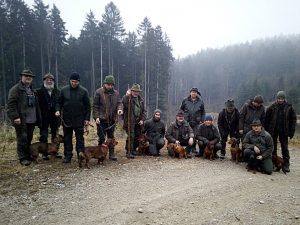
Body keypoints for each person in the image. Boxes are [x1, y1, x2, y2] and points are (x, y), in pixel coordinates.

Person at [55, 72, 91, 163]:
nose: (74, 83)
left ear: (79, 82)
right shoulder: (63, 90)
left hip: (79, 119)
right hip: (67, 119)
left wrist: (87, 119)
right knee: (67, 138)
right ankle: (68, 156)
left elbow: (88, 106)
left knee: (80, 139)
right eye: (72, 81)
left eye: (76, 82)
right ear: (70, 81)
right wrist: (57, 110)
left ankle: (80, 155)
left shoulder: (84, 91)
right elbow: (58, 103)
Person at [7, 69, 41, 166]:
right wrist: (15, 117)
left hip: (31, 119)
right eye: (26, 76)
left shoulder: (32, 90)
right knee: (22, 138)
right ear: (21, 77)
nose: (28, 78)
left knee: (29, 138)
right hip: (21, 119)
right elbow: (11, 105)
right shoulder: (15, 89)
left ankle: (27, 155)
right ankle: (22, 158)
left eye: (30, 77)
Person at [265, 91, 297, 172]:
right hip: (273, 131)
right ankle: (274, 163)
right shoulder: (271, 107)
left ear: (284, 98)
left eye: (282, 98)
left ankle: (286, 165)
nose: (280, 100)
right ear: (276, 98)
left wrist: (292, 131)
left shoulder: (289, 107)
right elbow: (266, 119)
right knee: (273, 148)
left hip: (284, 131)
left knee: (285, 148)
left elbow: (293, 120)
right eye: (279, 98)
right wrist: (266, 131)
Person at [92, 75, 123, 161]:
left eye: (111, 85)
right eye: (108, 84)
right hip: (101, 120)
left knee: (111, 137)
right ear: (104, 84)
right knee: (102, 138)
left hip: (112, 120)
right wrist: (96, 117)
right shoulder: (99, 92)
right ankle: (100, 154)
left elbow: (119, 103)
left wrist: (119, 109)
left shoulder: (116, 93)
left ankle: (111, 154)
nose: (110, 86)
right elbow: (95, 106)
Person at [36, 73, 62, 160]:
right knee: (44, 134)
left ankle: (54, 151)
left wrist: (58, 110)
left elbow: (59, 103)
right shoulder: (38, 92)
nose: (49, 81)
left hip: (55, 116)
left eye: (51, 80)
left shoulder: (57, 91)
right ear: (44, 81)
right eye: (47, 79)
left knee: (55, 134)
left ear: (53, 81)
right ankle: (44, 153)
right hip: (43, 117)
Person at [122, 83, 147, 159]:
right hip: (130, 121)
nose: (136, 93)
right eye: (134, 91)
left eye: (137, 91)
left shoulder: (140, 100)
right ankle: (128, 151)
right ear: (131, 91)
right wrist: (127, 96)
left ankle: (133, 149)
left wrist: (142, 119)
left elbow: (144, 111)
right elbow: (124, 104)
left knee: (137, 136)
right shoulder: (127, 98)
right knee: (131, 136)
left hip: (138, 121)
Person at [180, 87, 205, 153]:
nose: (194, 93)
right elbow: (181, 110)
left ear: (197, 93)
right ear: (190, 93)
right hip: (186, 121)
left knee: (195, 135)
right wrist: (181, 118)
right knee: (187, 135)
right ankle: (187, 148)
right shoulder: (185, 100)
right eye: (192, 92)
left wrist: (202, 120)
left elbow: (203, 112)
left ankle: (193, 148)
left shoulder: (201, 102)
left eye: (195, 92)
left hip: (196, 122)